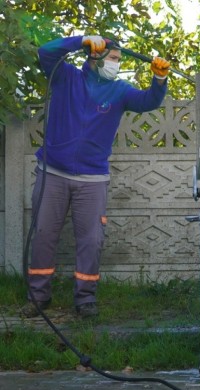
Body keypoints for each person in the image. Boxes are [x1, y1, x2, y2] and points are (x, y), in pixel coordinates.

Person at [21, 35, 170, 319]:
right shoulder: (66, 77)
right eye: (112, 58)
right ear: (95, 56)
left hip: (93, 179)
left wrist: (159, 80)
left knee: (91, 240)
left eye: (118, 60)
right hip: (52, 172)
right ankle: (38, 297)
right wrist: (82, 40)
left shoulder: (120, 91)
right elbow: (45, 50)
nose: (115, 64)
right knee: (43, 235)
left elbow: (148, 101)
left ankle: (85, 299)